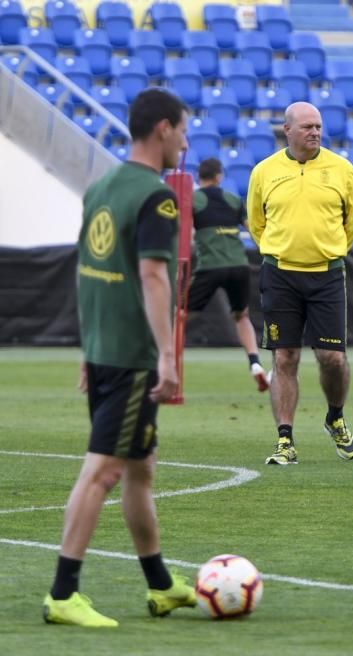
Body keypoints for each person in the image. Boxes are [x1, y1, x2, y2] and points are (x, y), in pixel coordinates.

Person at [43, 88, 197, 628]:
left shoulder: (102, 185)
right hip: (132, 356)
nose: (184, 140)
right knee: (104, 471)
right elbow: (155, 275)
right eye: (181, 129)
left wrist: (89, 349)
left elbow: (87, 269)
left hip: (104, 350)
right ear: (161, 129)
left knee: (140, 468)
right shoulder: (157, 197)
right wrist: (166, 357)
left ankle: (160, 585)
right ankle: (64, 593)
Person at [247, 101, 353, 465]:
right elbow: (256, 221)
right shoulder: (264, 172)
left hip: (326, 273)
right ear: (288, 130)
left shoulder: (342, 170)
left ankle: (335, 416)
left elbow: (352, 222)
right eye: (308, 126)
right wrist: (278, 249)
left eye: (318, 126)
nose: (315, 132)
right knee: (285, 357)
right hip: (280, 273)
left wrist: (330, 250)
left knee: (331, 358)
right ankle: (285, 440)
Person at [187, 157, 269, 391]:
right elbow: (254, 231)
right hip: (239, 265)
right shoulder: (233, 199)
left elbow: (182, 233)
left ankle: (163, 360)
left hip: (211, 266)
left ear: (199, 177)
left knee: (180, 315)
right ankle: (255, 364)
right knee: (241, 315)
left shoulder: (194, 199)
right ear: (219, 176)